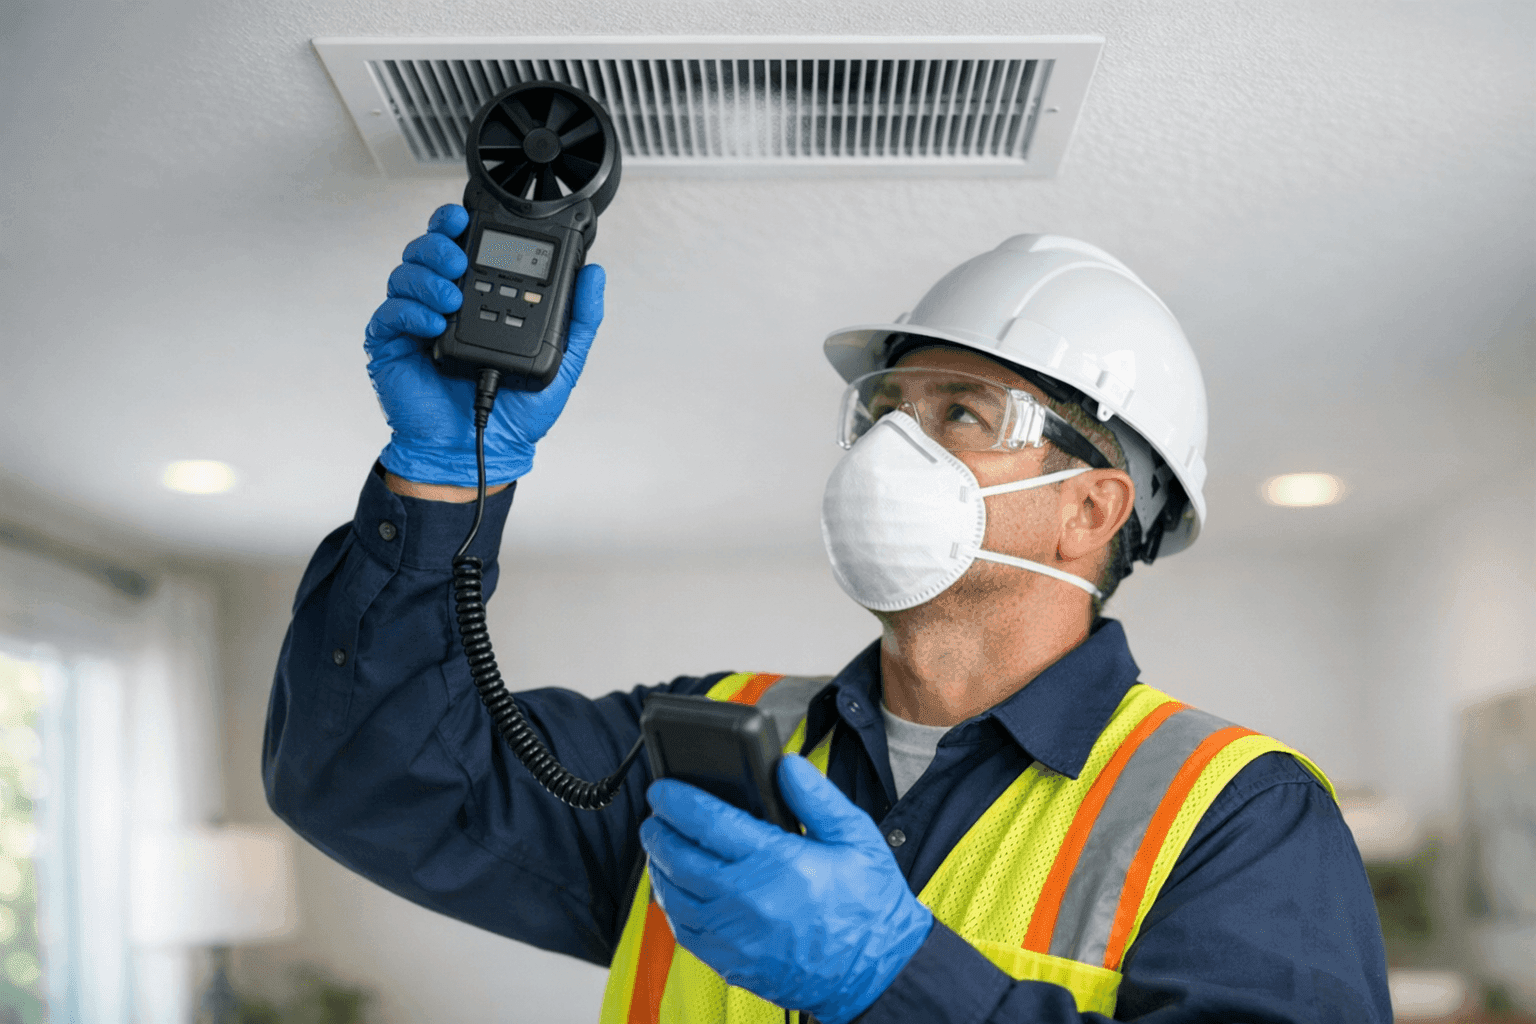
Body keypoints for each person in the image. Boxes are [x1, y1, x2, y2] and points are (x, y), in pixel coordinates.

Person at [264, 204, 1391, 1023]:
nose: (892, 446)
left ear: (1091, 511)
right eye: (883, 409)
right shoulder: (691, 749)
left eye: (961, 410)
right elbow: (367, 774)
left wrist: (895, 977)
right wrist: (438, 474)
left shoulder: (1239, 815)